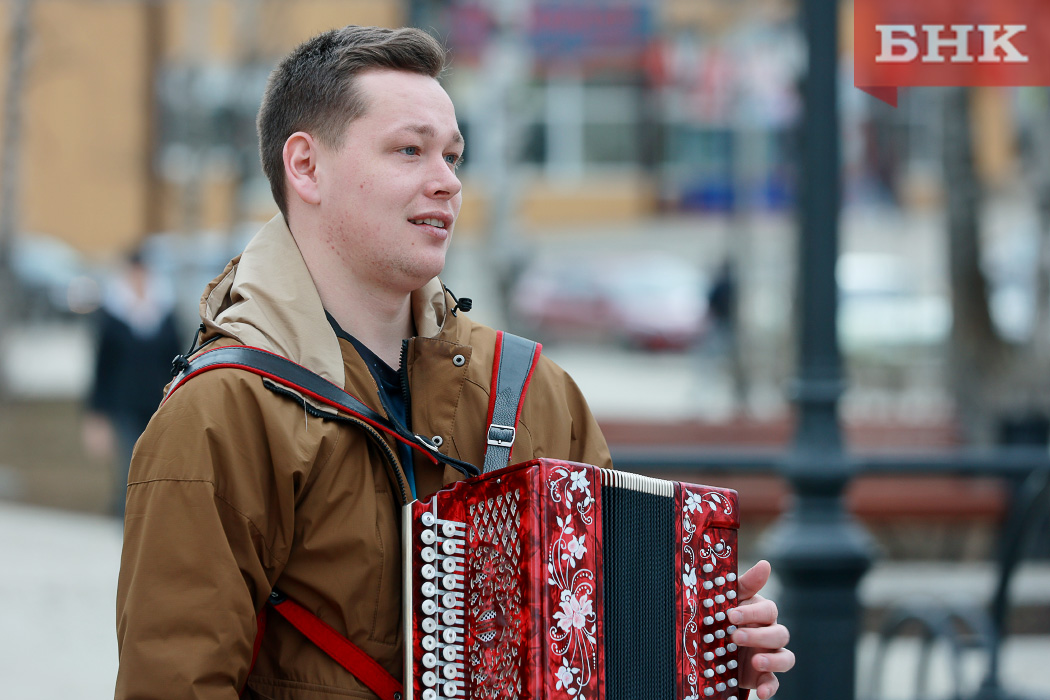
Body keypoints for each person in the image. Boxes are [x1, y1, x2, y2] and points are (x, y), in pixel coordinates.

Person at [115, 25, 794, 700]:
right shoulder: (223, 411)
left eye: (453, 156)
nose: (446, 182)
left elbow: (600, 657)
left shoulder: (534, 392)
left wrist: (697, 666)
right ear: (306, 167)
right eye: (409, 150)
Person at [83, 250, 181, 519]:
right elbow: (101, 367)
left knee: (158, 463)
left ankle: (155, 519)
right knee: (131, 462)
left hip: (159, 403)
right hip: (123, 403)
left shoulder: (164, 309)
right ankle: (131, 520)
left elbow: (177, 359)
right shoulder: (112, 312)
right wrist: (96, 414)